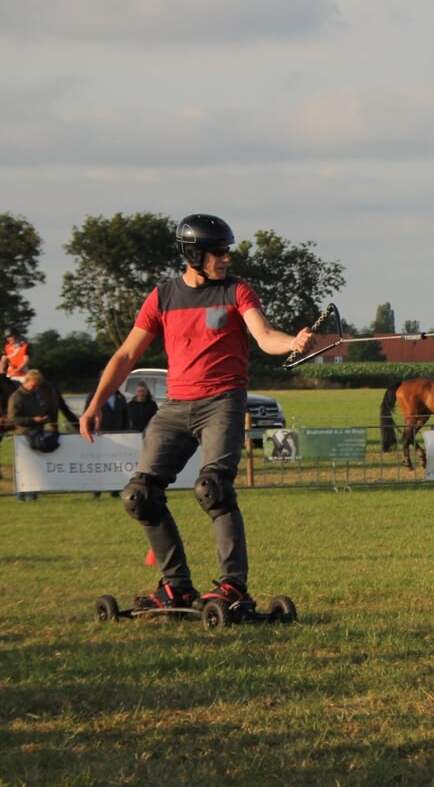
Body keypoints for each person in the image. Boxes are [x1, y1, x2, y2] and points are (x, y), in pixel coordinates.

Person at [79, 214, 314, 612]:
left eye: (227, 251)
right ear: (193, 254)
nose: (225, 258)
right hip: (175, 406)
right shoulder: (163, 297)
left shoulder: (238, 291)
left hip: (223, 401)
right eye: (218, 252)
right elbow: (125, 355)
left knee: (213, 488)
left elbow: (264, 337)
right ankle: (175, 587)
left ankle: (233, 586)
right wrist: (95, 405)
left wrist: (294, 342)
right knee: (140, 495)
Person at [8, 369, 55, 498]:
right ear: (27, 381)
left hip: (36, 433)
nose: (36, 388)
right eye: (34, 385)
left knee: (34, 465)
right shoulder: (16, 397)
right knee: (23, 467)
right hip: (23, 436)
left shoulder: (36, 394)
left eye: (38, 385)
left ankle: (32, 494)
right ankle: (21, 495)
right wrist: (32, 420)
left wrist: (43, 418)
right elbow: (12, 419)